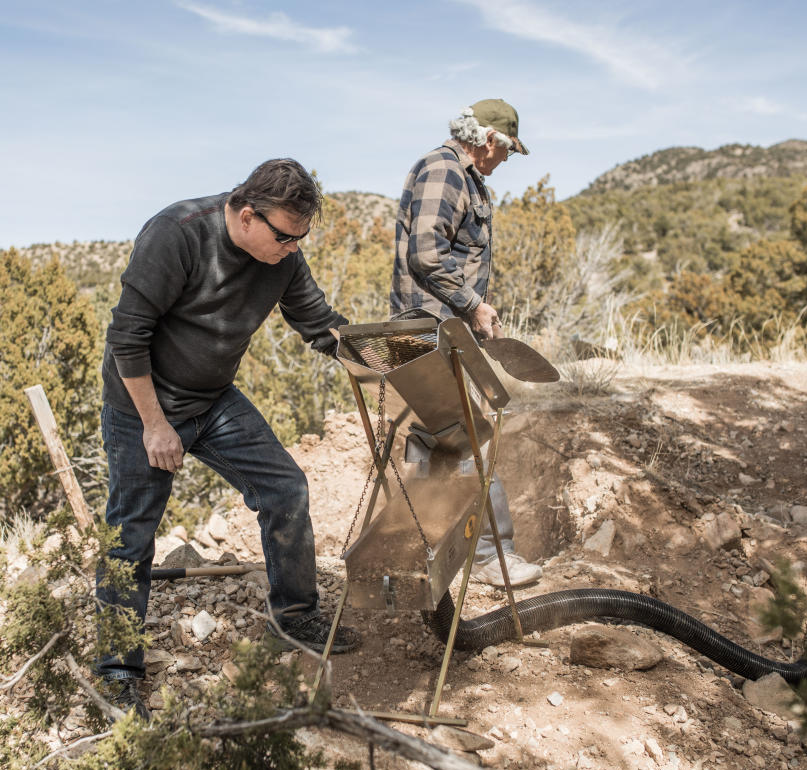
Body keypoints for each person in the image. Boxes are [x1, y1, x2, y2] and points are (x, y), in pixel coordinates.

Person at [97, 158, 361, 720]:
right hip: (142, 403)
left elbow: (318, 322)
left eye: (302, 236)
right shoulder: (178, 233)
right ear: (247, 216)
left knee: (286, 489)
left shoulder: (282, 255)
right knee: (130, 537)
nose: (295, 247)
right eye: (287, 236)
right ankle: (117, 671)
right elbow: (127, 337)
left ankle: (295, 615)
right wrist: (154, 424)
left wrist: (377, 356)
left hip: (212, 399)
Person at [390, 99, 542, 589]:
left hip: (441, 331)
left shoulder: (462, 177)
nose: (505, 163)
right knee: (471, 437)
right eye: (507, 152)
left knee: (436, 441)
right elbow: (427, 254)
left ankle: (427, 546)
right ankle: (490, 556)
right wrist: (474, 305)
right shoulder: (445, 171)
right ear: (489, 140)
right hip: (433, 331)